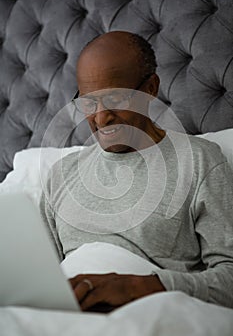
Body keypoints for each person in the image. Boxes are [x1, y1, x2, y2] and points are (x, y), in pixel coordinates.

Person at [40, 31, 233, 312]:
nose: (101, 117)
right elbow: (40, 280)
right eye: (89, 103)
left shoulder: (199, 160)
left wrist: (136, 287)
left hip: (147, 314)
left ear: (150, 88)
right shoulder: (61, 175)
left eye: (116, 99)